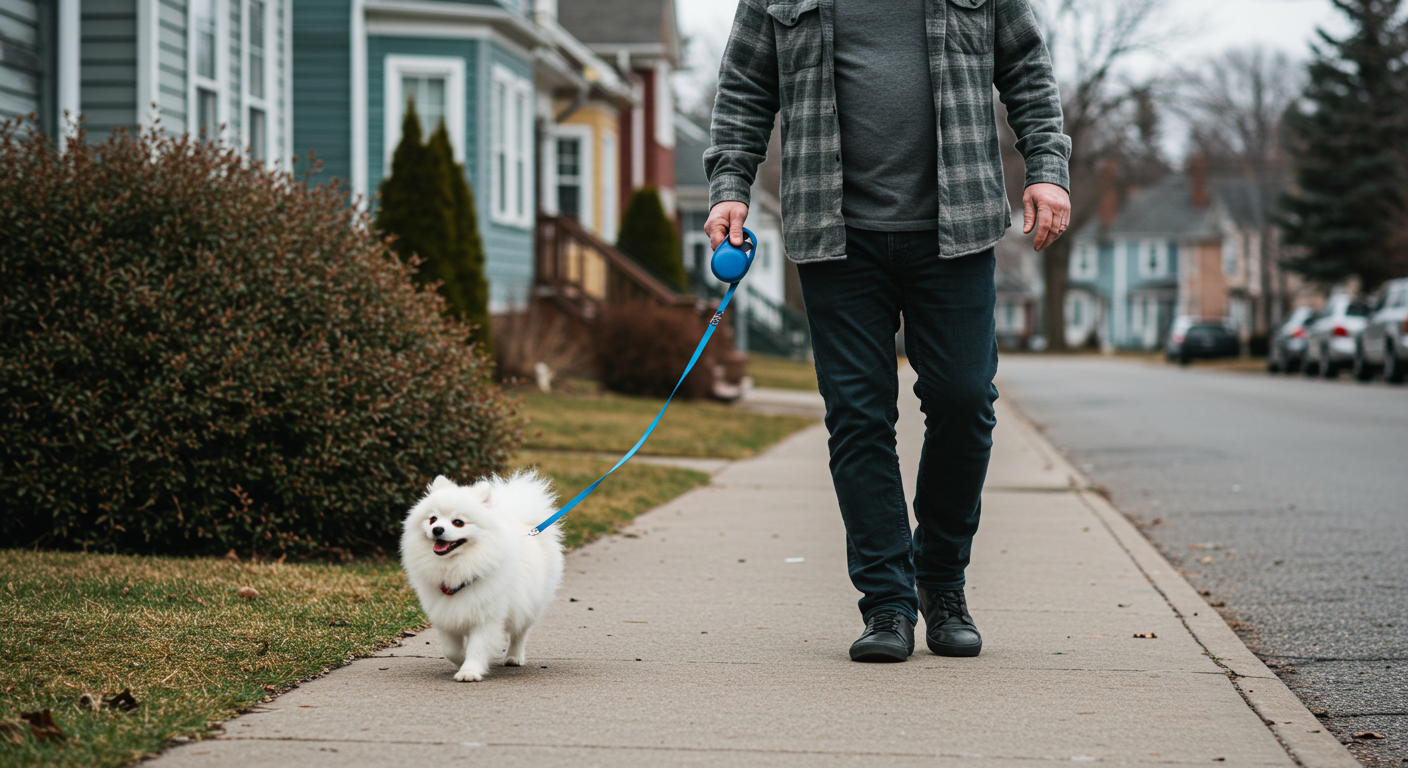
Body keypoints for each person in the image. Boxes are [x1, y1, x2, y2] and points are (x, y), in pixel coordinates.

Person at [704, 0, 1071, 662]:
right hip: (835, 234)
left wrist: (1047, 167)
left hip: (955, 230)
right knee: (858, 416)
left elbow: (1026, 66)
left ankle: (942, 582)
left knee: (965, 401)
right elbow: (745, 87)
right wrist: (730, 185)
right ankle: (888, 605)